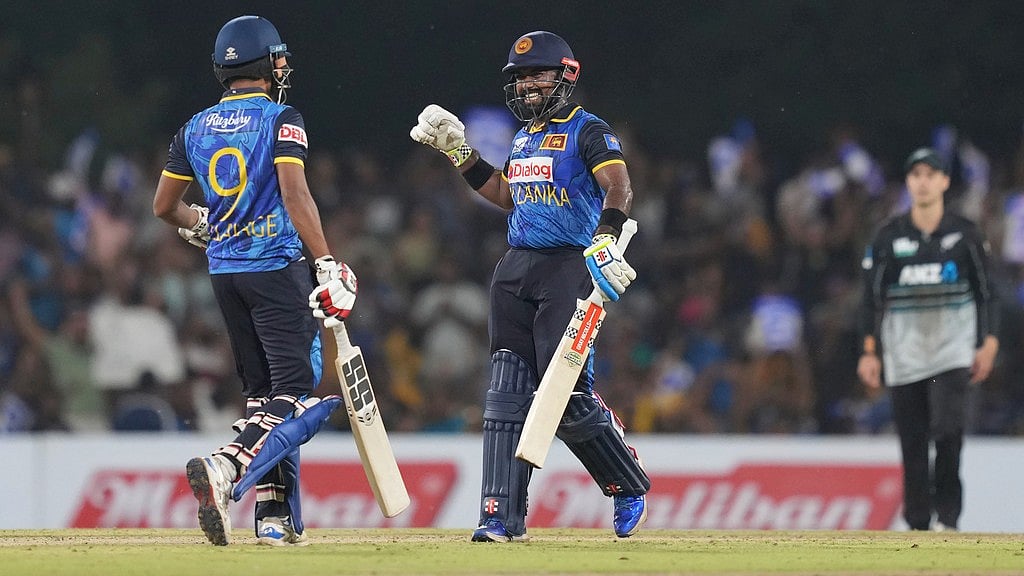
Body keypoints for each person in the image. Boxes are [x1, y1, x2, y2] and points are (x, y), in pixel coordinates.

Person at [410, 30, 650, 541]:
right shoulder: (525, 137)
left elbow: (619, 186)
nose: (526, 86)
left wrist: (605, 240)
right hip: (516, 268)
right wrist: (458, 152)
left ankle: (626, 480)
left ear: (566, 74)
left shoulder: (588, 130)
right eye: (519, 78)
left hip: (569, 266)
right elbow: (505, 193)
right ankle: (500, 517)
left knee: (561, 394)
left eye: (536, 75)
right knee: (504, 396)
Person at [153, 15, 357, 546]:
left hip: (225, 274)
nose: (284, 65)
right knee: (295, 396)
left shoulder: (192, 127)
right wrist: (327, 261)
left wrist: (203, 224)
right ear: (265, 64)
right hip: (274, 268)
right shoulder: (282, 118)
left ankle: (275, 517)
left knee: (263, 397)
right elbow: (295, 195)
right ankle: (226, 466)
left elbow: (164, 207)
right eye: (279, 57)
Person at [857, 147, 1000, 532]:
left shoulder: (965, 234)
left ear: (944, 182)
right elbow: (870, 299)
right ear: (908, 182)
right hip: (904, 355)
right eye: (915, 174)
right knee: (913, 442)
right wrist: (870, 352)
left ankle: (948, 519)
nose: (922, 181)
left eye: (930, 174)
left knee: (949, 431)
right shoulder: (888, 237)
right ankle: (918, 525)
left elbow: (987, 293)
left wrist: (988, 342)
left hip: (952, 351)